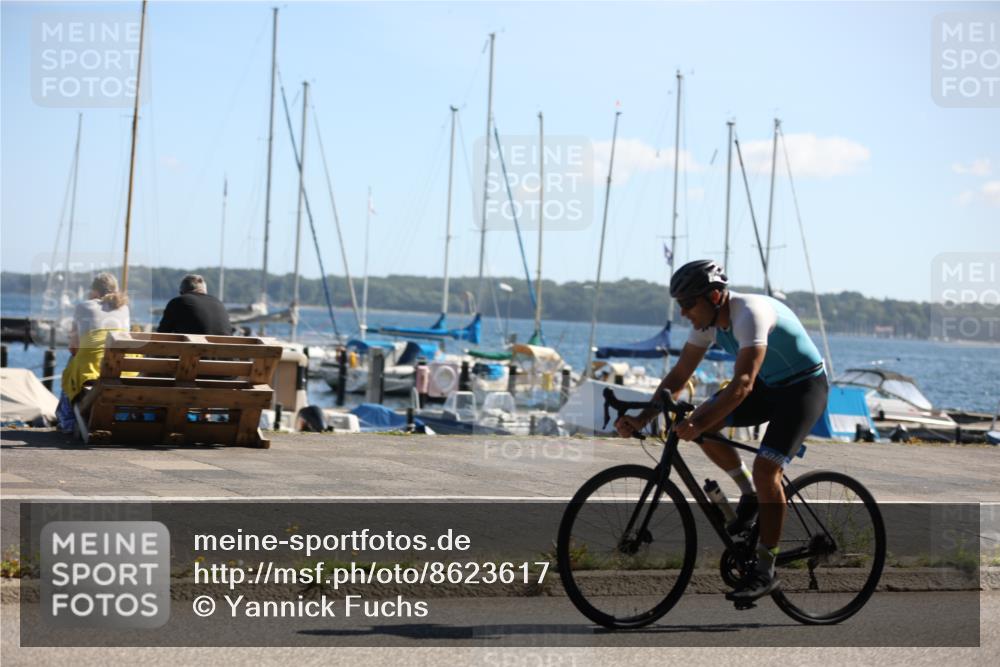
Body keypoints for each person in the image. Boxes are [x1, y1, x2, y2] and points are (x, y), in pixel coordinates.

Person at [615, 259, 829, 602]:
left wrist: (697, 421)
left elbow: (742, 384)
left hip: (803, 389)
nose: (684, 313)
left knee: (766, 468)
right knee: (702, 426)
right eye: (680, 305)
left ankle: (765, 568)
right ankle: (748, 494)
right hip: (767, 386)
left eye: (688, 304)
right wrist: (643, 417)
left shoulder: (750, 315)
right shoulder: (705, 323)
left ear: (714, 297)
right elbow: (679, 376)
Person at [60, 272, 131, 407]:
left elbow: (73, 346)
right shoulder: (124, 307)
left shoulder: (83, 306)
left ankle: (66, 417)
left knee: (72, 362)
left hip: (92, 373)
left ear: (94, 291)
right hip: (123, 371)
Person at [157, 274, 232, 335]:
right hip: (226, 352)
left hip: (195, 351)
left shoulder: (178, 301)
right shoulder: (218, 302)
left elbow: (162, 333)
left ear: (182, 292)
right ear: (205, 291)